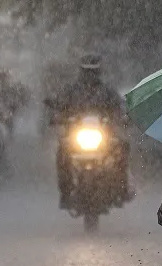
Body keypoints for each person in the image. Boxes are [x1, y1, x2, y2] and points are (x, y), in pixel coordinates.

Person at [51, 54, 131, 209]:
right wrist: (57, 116)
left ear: (99, 72)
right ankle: (66, 192)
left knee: (122, 147)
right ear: (81, 72)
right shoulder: (71, 91)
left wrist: (123, 117)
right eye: (87, 72)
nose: (90, 77)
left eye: (93, 72)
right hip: (76, 137)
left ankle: (121, 188)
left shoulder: (107, 91)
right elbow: (60, 106)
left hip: (104, 136)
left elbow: (119, 107)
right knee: (62, 153)